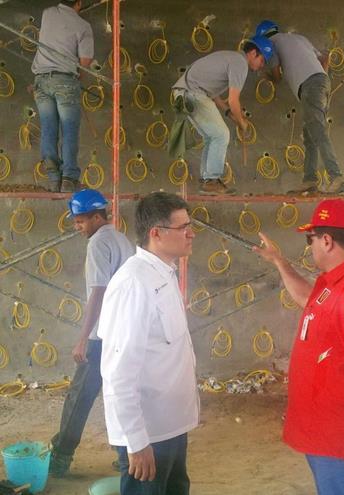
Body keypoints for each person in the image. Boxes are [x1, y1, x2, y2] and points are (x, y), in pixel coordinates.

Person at [253, 198, 344, 495]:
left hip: (339, 433)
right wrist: (279, 261)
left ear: (327, 241)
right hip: (325, 431)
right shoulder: (335, 283)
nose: (311, 246)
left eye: (311, 239)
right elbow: (308, 298)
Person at [98, 192, 199, 494]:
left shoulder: (163, 274)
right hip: (149, 431)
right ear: (156, 233)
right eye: (183, 227)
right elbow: (118, 371)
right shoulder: (133, 284)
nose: (191, 233)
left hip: (170, 424)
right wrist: (137, 441)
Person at [49, 189, 134, 477]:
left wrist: (84, 338)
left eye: (81, 221)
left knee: (79, 397)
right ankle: (127, 457)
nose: (78, 227)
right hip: (123, 333)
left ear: (97, 217)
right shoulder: (121, 239)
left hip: (102, 336)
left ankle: (60, 457)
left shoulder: (98, 243)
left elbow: (98, 291)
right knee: (119, 394)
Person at [172, 35, 273, 196]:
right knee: (221, 135)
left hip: (185, 93)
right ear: (254, 53)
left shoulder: (230, 58)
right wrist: (241, 122)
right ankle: (211, 180)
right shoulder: (240, 63)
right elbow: (234, 100)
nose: (261, 66)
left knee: (211, 137)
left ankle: (207, 180)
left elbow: (215, 96)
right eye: (262, 61)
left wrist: (229, 114)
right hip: (193, 93)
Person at [256, 20, 344, 195]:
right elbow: (324, 57)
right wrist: (320, 76)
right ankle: (310, 179)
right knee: (310, 134)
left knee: (317, 130)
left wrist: (266, 75)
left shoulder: (272, 44)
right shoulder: (298, 38)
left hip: (311, 86)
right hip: (321, 82)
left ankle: (336, 176)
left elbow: (276, 76)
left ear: (263, 37)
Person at [32, 0, 93, 193]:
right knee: (69, 131)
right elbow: (85, 61)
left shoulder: (47, 13)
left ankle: (52, 177)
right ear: (79, 3)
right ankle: (69, 178)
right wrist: (76, 78)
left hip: (41, 80)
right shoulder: (83, 26)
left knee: (49, 128)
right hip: (66, 80)